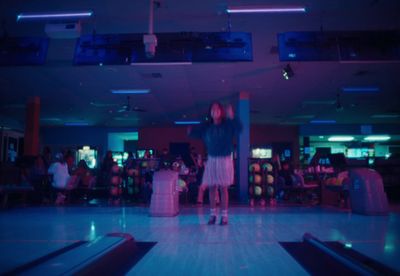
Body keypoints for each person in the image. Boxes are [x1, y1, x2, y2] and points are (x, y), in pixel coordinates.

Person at [188, 102, 242, 225]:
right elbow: (195, 133)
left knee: (223, 188)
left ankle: (224, 216)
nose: (215, 110)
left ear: (221, 111)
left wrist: (232, 116)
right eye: (212, 109)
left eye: (217, 109)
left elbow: (239, 128)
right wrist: (190, 131)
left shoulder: (227, 124)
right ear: (210, 112)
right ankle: (212, 215)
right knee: (211, 188)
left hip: (224, 159)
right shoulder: (207, 126)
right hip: (212, 159)